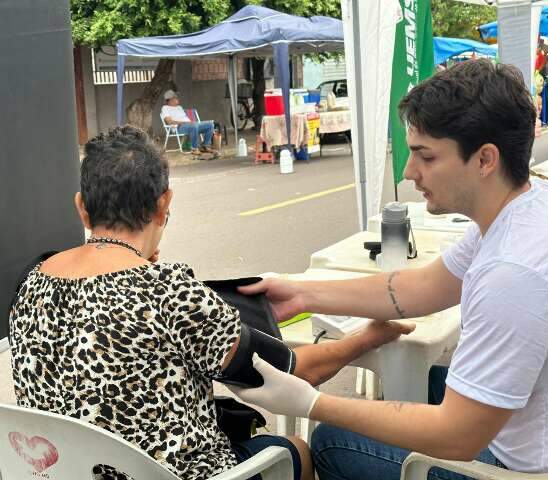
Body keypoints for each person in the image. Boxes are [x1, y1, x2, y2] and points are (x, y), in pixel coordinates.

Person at [230, 59, 548, 479]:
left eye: (425, 156)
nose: (409, 172)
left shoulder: (514, 271)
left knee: (332, 439)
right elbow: (422, 288)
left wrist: (310, 404)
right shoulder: (538, 202)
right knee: (422, 381)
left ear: (484, 159)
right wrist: (301, 292)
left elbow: (457, 437)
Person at [8, 125, 414, 480]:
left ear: (82, 207)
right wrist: (367, 337)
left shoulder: (32, 280)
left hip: (69, 471)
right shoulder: (168, 291)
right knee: (298, 451)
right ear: (164, 204)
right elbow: (294, 373)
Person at [160, 89, 219, 157]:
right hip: (178, 127)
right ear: (170, 99)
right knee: (193, 126)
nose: (178, 98)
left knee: (210, 124)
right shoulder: (165, 108)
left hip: (190, 125)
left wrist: (190, 122)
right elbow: (169, 122)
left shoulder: (179, 107)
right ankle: (194, 148)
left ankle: (205, 146)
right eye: (176, 97)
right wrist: (184, 123)